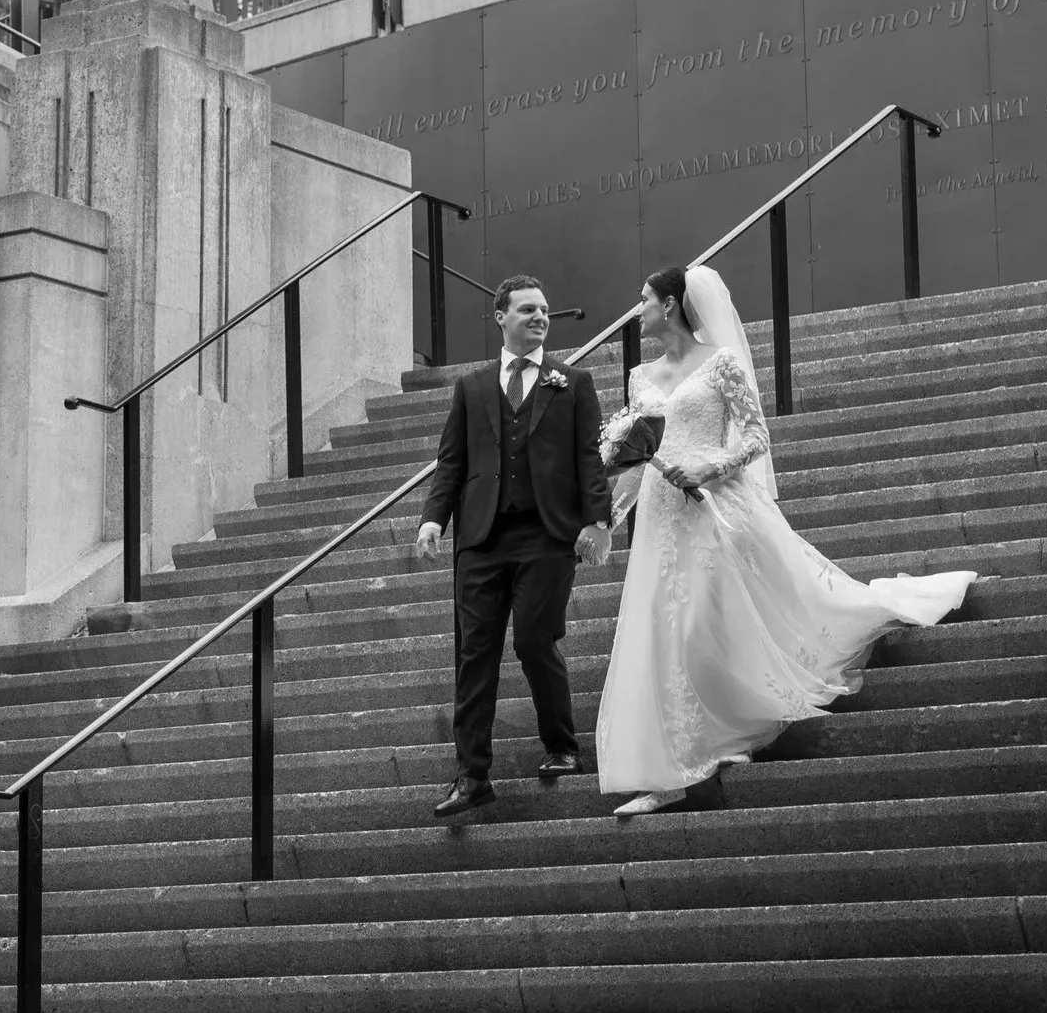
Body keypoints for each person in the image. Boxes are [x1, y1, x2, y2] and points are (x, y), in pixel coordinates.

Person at [596, 260, 974, 816]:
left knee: (701, 623)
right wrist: (605, 518)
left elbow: (755, 437)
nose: (639, 309)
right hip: (660, 516)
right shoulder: (640, 377)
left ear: (671, 305)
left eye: (645, 299)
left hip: (715, 506)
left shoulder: (720, 363)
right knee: (663, 629)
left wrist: (710, 466)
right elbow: (636, 461)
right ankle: (673, 770)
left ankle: (722, 736)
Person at [413, 273, 613, 818]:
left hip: (547, 536)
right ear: (499, 317)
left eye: (545, 310)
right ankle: (472, 774)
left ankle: (562, 745)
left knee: (532, 639)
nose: (540, 317)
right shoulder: (472, 387)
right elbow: (451, 461)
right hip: (480, 539)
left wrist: (599, 520)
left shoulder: (573, 383)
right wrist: (434, 518)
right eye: (527, 310)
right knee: (473, 654)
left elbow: (588, 459)